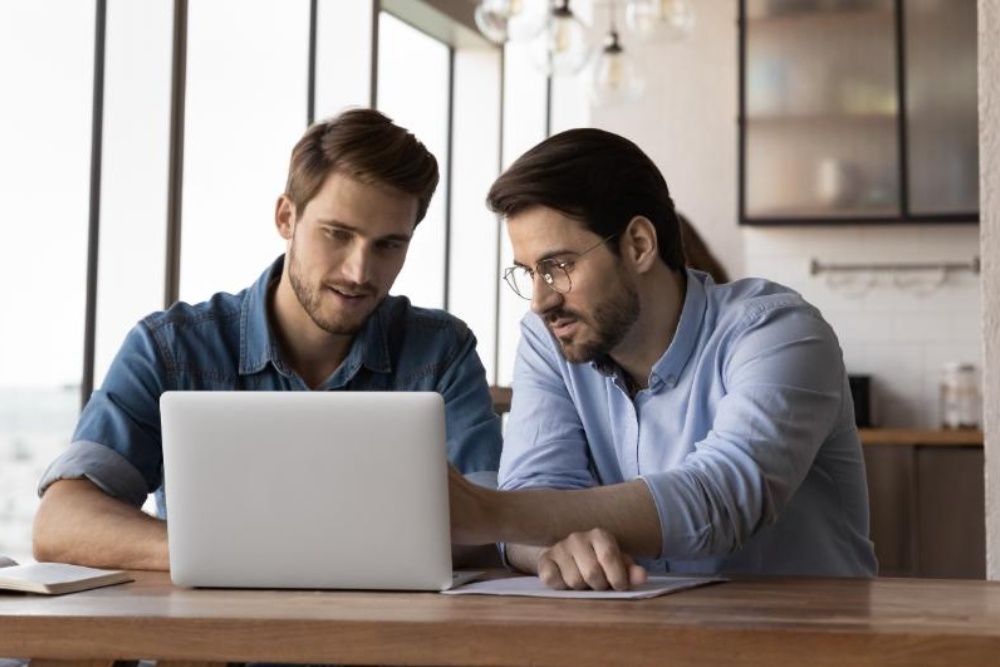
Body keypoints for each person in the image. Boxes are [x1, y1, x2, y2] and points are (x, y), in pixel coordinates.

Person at [33, 108, 502, 571]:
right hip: (217, 645)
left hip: (385, 643)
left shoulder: (441, 352)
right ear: (286, 217)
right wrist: (241, 555)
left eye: (388, 245)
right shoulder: (171, 350)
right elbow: (62, 523)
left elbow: (493, 528)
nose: (359, 272)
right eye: (338, 234)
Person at [449, 127, 877, 590]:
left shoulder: (779, 330)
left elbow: (721, 498)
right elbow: (537, 494)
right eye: (530, 273)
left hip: (807, 645)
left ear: (638, 245)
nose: (539, 301)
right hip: (639, 638)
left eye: (558, 267)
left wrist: (488, 513)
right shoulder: (549, 338)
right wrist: (554, 550)